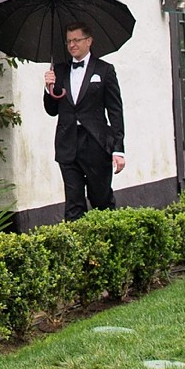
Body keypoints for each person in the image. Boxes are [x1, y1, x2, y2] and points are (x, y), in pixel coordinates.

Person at [42, 20, 126, 220]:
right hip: (67, 144)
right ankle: (78, 248)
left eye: (76, 40)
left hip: (96, 143)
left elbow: (115, 111)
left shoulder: (105, 70)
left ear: (89, 41)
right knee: (73, 203)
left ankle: (106, 245)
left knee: (101, 199)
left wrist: (118, 148)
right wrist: (48, 88)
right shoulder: (60, 71)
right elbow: (52, 110)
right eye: (69, 41)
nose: (72, 45)